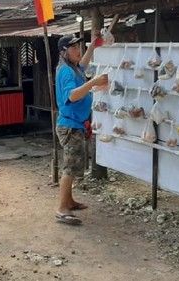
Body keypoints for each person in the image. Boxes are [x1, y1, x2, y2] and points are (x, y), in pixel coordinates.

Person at [54, 35, 108, 225]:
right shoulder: (66, 72)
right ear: (64, 52)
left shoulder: (74, 68)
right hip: (69, 125)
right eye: (74, 47)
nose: (78, 50)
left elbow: (83, 64)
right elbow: (73, 95)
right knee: (69, 167)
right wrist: (93, 82)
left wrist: (92, 46)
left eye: (79, 46)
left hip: (75, 124)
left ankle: (69, 201)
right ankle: (61, 209)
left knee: (75, 164)